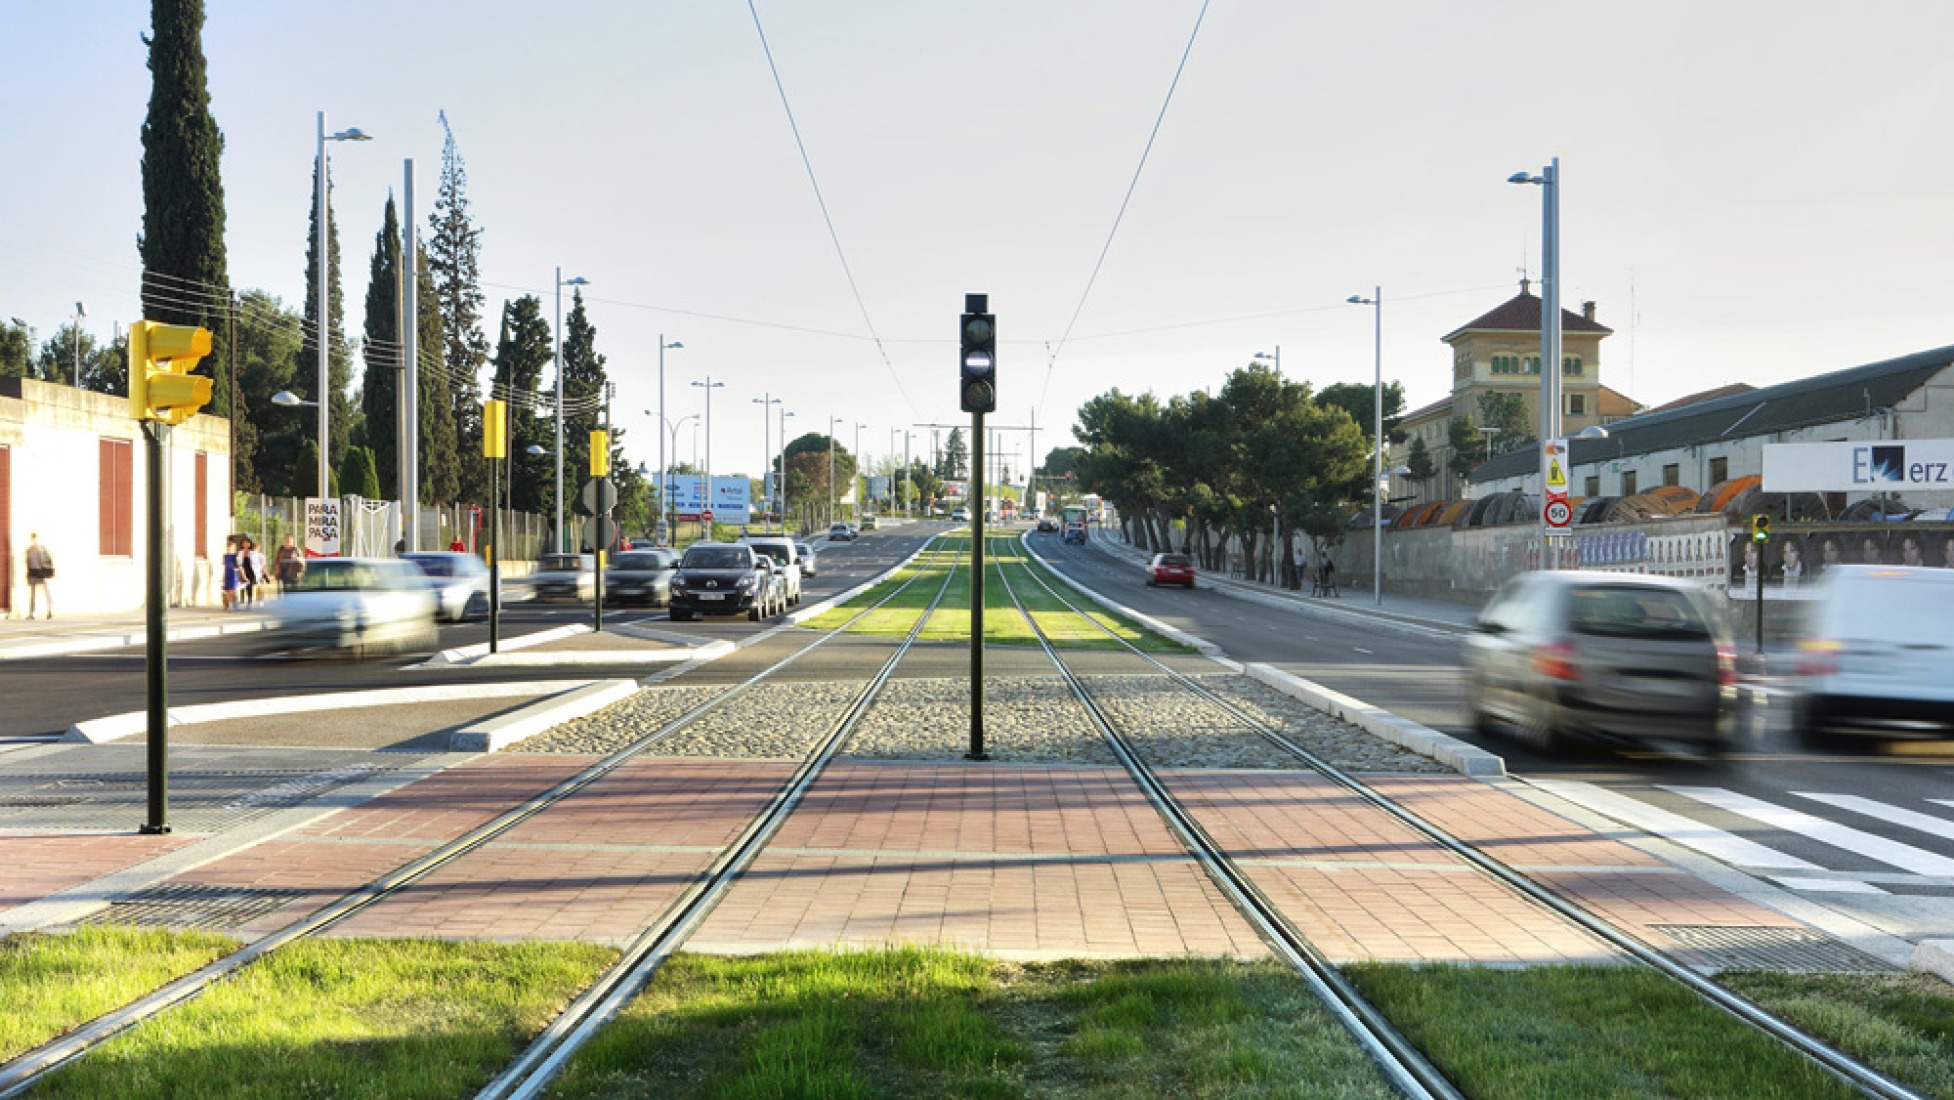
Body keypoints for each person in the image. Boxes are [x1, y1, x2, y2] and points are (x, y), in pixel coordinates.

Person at [23, 533, 53, 619]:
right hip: (34, 573)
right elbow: (27, 563)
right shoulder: (29, 550)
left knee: (45, 592)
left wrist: (46, 572)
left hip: (39, 572)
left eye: (34, 538)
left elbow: (44, 562)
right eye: (32, 538)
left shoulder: (40, 549)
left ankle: (49, 610)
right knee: (34, 593)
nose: (33, 540)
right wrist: (28, 574)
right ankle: (32, 613)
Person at [236, 537, 261, 609]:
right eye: (244, 543)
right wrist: (241, 572)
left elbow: (257, 563)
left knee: (249, 586)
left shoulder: (253, 553)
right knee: (242, 586)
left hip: (251, 571)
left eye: (247, 543)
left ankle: (249, 602)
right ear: (242, 544)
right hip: (243, 570)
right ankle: (242, 601)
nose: (246, 544)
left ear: (250, 544)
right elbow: (239, 563)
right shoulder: (240, 553)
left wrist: (259, 573)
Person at [222, 535, 240, 611]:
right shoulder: (225, 556)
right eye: (228, 548)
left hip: (233, 575)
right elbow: (224, 567)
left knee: (233, 591)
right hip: (227, 575)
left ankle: (234, 603)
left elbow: (238, 566)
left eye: (231, 548)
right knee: (228, 591)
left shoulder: (235, 556)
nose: (229, 549)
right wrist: (223, 577)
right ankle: (229, 605)